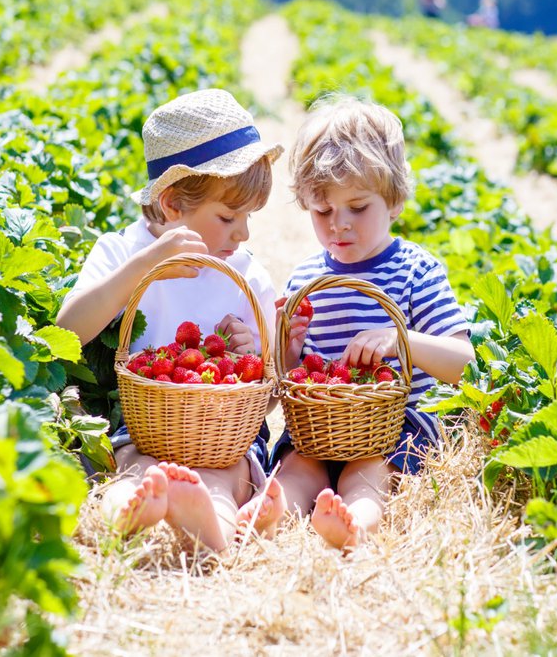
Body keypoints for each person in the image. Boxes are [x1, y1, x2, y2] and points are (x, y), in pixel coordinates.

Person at [236, 98, 475, 550]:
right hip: (321, 427)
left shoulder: (415, 271)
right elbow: (287, 377)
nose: (339, 226)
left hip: (391, 428)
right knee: (299, 464)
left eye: (358, 208)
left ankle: (355, 522)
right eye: (322, 212)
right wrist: (287, 349)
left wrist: (399, 339)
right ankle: (274, 510)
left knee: (366, 470)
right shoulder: (308, 277)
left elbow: (465, 364)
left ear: (395, 200)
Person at [56, 89, 285, 553]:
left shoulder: (244, 272)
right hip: (145, 427)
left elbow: (269, 399)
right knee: (135, 464)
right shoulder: (122, 252)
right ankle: (128, 510)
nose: (242, 233)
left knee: (226, 475)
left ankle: (211, 524)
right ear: (172, 204)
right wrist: (144, 265)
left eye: (247, 217)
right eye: (227, 216)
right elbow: (68, 331)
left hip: (226, 434)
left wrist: (254, 355)